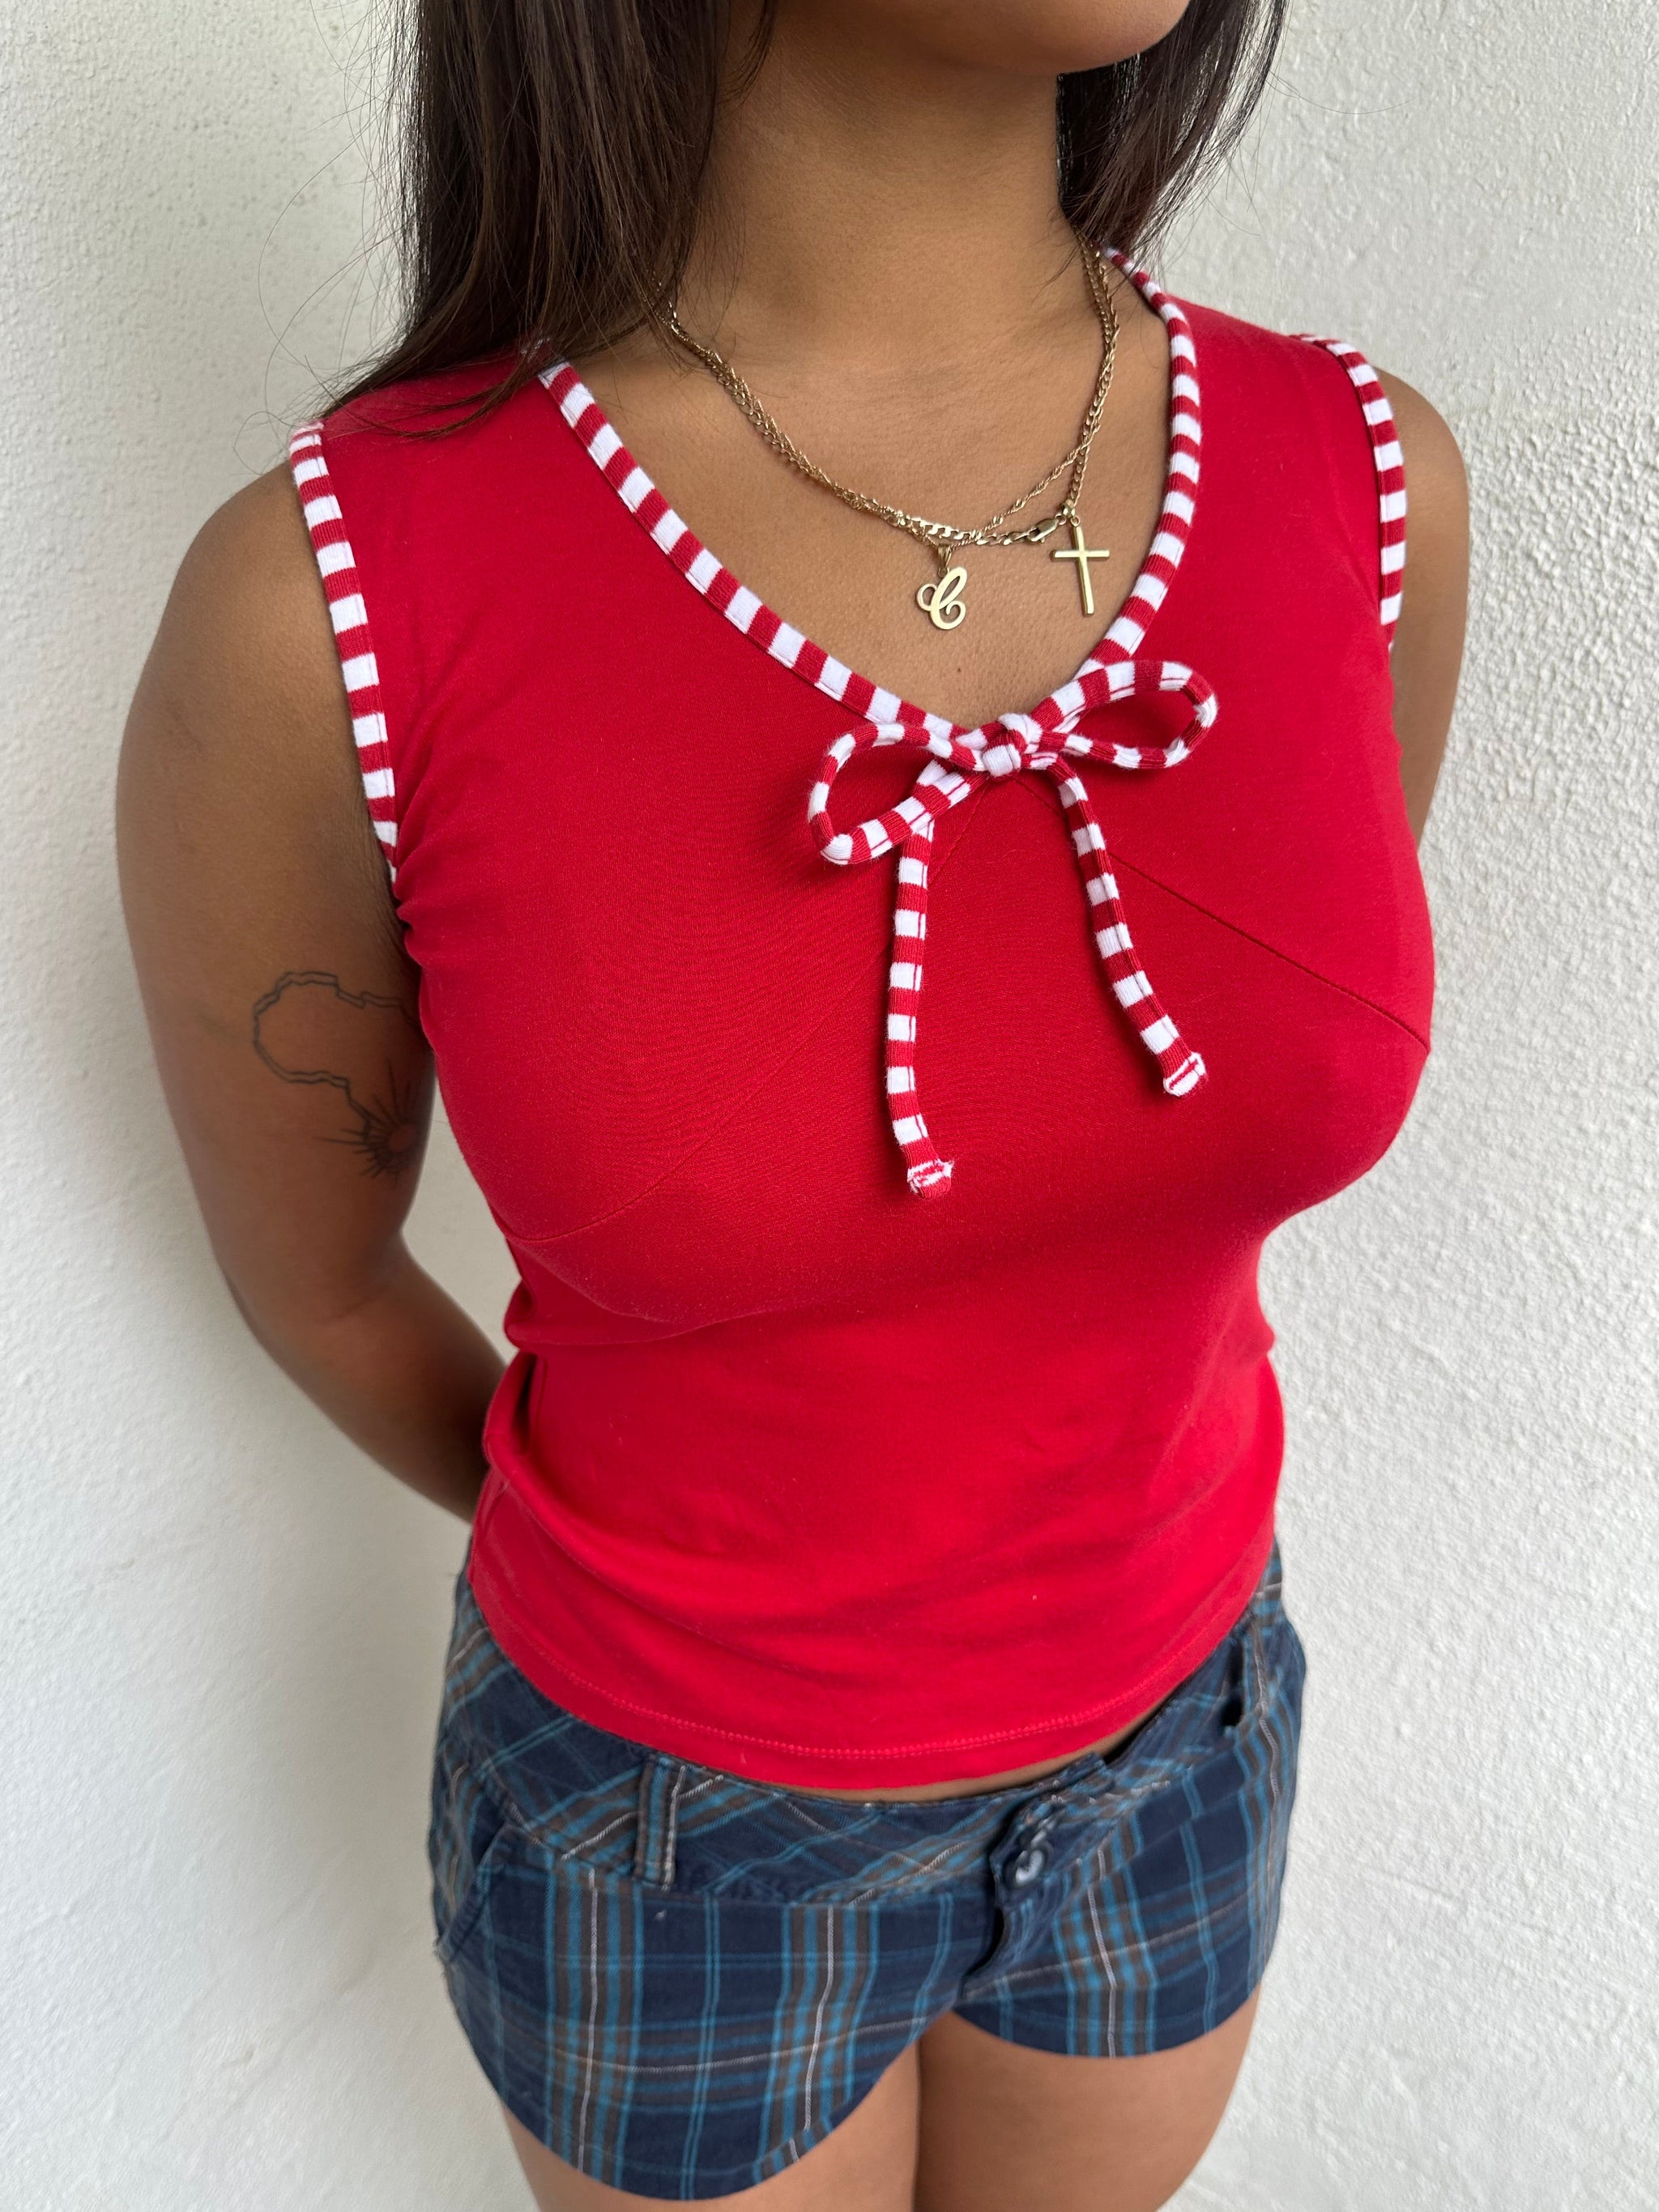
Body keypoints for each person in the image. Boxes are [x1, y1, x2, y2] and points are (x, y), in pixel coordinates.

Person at [116, 0, 1468, 2204]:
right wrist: (714, 1581)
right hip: (673, 1828)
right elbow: (324, 1288)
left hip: (1190, 1740)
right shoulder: (332, 604)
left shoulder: (1367, 474)